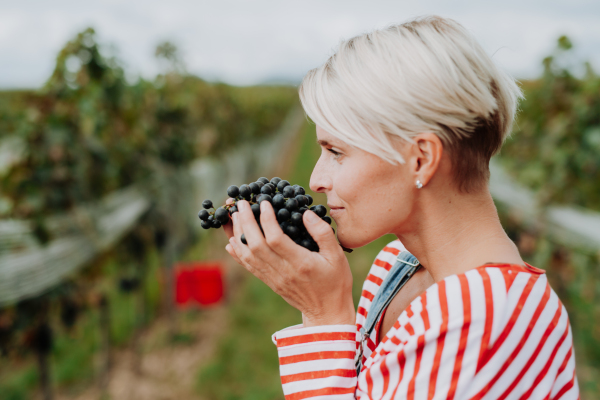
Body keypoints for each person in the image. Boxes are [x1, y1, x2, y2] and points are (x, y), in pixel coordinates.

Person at [223, 15, 579, 399]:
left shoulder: (486, 315)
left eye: (337, 152)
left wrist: (324, 316)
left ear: (421, 159)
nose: (316, 180)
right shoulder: (398, 264)